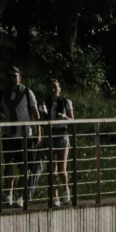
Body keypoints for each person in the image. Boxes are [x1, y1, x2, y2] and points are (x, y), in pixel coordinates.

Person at [3, 67, 42, 206]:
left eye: (14, 75)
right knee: (8, 164)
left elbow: (35, 113)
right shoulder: (2, 94)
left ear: (20, 77)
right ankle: (9, 194)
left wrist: (39, 133)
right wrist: (0, 117)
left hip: (25, 135)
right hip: (8, 134)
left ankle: (21, 196)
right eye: (8, 75)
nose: (11, 78)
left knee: (24, 166)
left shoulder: (27, 92)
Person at [46, 78, 75, 206]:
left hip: (63, 135)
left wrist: (64, 117)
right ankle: (55, 196)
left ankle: (66, 190)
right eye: (50, 88)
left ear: (59, 89)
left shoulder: (66, 102)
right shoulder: (46, 103)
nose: (53, 90)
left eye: (55, 88)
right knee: (52, 169)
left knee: (62, 168)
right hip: (52, 135)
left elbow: (72, 120)